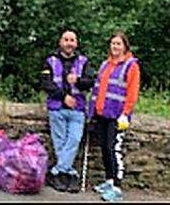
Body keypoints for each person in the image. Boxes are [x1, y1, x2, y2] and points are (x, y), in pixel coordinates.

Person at [89, 31, 140, 202]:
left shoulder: (131, 65)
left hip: (117, 116)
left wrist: (126, 114)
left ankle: (117, 187)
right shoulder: (106, 64)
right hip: (102, 113)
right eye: (113, 43)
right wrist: (92, 112)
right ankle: (109, 180)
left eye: (118, 44)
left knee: (113, 149)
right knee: (104, 147)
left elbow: (132, 92)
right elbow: (97, 90)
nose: (115, 47)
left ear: (125, 46)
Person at [40, 30, 94, 192]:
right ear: (60, 42)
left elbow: (91, 82)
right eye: (66, 40)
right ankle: (67, 175)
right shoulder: (49, 61)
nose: (69, 43)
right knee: (60, 143)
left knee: (74, 140)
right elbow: (46, 84)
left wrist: (77, 80)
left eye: (72, 40)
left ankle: (56, 172)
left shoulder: (84, 61)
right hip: (57, 108)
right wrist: (64, 97)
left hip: (77, 110)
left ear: (76, 43)